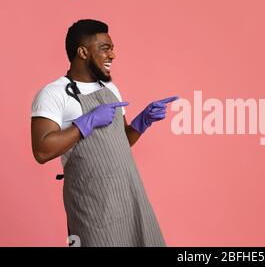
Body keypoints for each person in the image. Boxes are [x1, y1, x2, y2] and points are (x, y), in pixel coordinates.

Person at [31, 19, 178, 247]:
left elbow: (119, 142)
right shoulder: (53, 93)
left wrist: (141, 122)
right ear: (83, 52)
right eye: (105, 48)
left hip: (129, 196)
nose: (113, 55)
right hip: (92, 204)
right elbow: (41, 150)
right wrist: (85, 123)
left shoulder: (110, 89)